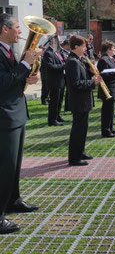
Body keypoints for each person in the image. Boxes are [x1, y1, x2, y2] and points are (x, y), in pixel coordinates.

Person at [0, 13, 42, 234]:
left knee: (15, 165)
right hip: (4, 116)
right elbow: (3, 82)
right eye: (17, 27)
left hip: (15, 113)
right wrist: (26, 62)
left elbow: (12, 79)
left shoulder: (9, 51)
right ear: (4, 29)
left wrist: (28, 75)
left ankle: (13, 200)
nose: (20, 31)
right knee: (4, 167)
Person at [65, 35, 101, 166]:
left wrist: (91, 72)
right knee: (78, 130)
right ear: (75, 47)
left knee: (83, 128)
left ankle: (81, 151)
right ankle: (74, 158)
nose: (85, 48)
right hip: (78, 101)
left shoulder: (78, 60)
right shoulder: (72, 62)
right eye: (83, 46)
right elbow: (76, 84)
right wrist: (93, 82)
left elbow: (83, 76)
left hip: (83, 100)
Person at [97, 40, 115, 138]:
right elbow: (104, 75)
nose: (114, 50)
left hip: (114, 87)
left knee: (111, 110)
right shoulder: (103, 60)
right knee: (107, 111)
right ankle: (106, 130)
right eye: (113, 49)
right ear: (108, 49)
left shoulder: (112, 58)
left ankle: (110, 127)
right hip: (108, 88)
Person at [42, 35, 67, 126]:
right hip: (54, 81)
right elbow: (51, 67)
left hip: (61, 79)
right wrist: (64, 66)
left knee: (60, 100)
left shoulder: (57, 51)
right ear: (53, 42)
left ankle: (58, 116)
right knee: (54, 101)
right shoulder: (48, 53)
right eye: (59, 41)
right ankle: (52, 120)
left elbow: (61, 62)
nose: (60, 43)